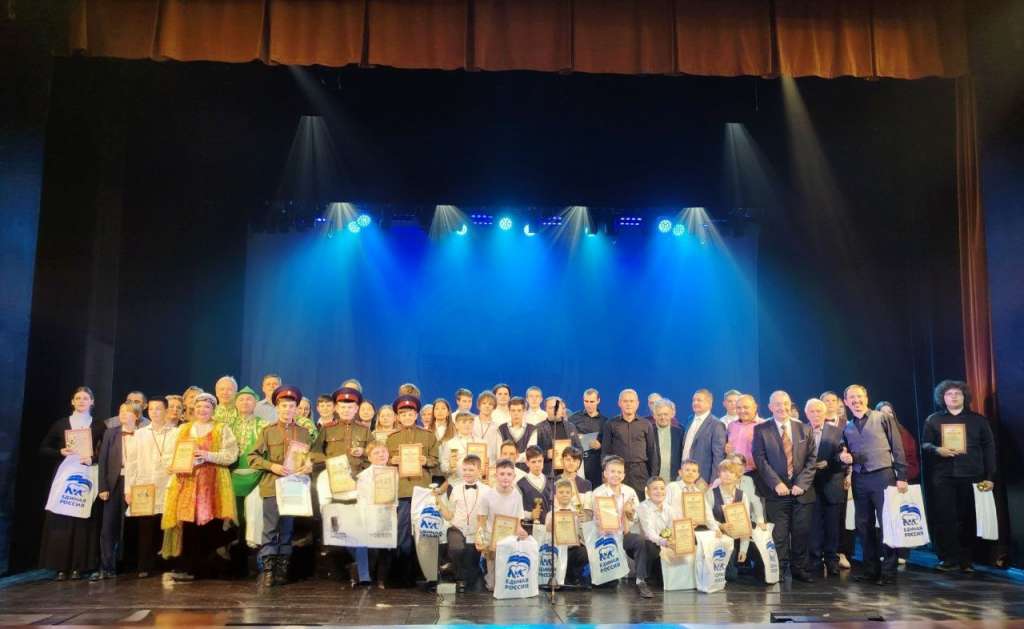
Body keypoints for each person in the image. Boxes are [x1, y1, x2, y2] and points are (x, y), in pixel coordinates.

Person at [161, 392, 238, 581]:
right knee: (188, 523)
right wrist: (175, 464)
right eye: (199, 406)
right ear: (193, 409)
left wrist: (207, 455)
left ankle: (208, 568)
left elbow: (231, 455)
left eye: (207, 407)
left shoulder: (221, 429)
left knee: (211, 523)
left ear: (213, 410)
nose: (202, 410)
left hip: (212, 484)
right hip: (187, 482)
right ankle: (188, 567)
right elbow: (169, 454)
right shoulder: (183, 429)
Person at [921, 380, 996, 573]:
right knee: (945, 518)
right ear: (942, 398)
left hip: (972, 474)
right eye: (949, 394)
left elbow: (989, 449)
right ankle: (948, 558)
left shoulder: (978, 420)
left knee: (969, 518)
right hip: (943, 476)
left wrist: (989, 477)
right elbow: (925, 444)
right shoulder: (933, 420)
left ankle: (967, 560)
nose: (953, 397)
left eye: (957, 394)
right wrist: (937, 449)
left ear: (964, 397)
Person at [838, 384, 908, 585]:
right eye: (852, 397)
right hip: (860, 478)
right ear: (846, 402)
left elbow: (897, 446)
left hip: (883, 475)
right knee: (863, 525)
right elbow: (846, 453)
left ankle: (889, 572)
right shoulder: (847, 427)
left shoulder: (882, 418)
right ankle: (870, 570)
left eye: (859, 396)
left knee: (887, 524)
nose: (856, 400)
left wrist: (901, 475)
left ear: (866, 398)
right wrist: (844, 457)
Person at [248, 385, 313, 587]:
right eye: (284, 406)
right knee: (270, 528)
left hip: (294, 487)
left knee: (287, 528)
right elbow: (252, 457)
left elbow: (309, 457)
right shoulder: (267, 431)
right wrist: (272, 466)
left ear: (296, 409)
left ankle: (282, 570)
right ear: (277, 408)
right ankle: (268, 570)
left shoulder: (303, 432)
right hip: (272, 485)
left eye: (291, 406)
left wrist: (308, 465)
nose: (287, 410)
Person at [39, 386, 106, 580]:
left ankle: (79, 566)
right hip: (65, 475)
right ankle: (61, 567)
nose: (81, 401)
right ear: (72, 402)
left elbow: (106, 451)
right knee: (62, 518)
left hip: (87, 475)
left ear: (92, 402)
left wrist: (93, 458)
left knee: (83, 520)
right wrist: (60, 452)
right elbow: (44, 448)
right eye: (78, 398)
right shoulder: (61, 424)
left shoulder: (99, 425)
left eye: (85, 398)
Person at [752, 391, 818, 582]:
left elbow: (812, 459)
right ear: (770, 407)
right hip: (776, 493)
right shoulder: (761, 430)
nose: (782, 407)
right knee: (779, 535)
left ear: (791, 405)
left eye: (786, 403)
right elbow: (760, 460)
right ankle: (779, 570)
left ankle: (799, 569)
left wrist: (802, 484)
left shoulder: (804, 428)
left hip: (801, 492)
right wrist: (776, 483)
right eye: (777, 404)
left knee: (801, 533)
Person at [310, 386, 371, 585]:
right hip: (333, 486)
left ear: (356, 409)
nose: (346, 410)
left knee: (358, 530)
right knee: (337, 530)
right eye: (343, 407)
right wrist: (330, 461)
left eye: (350, 407)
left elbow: (376, 454)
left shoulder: (364, 430)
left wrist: (364, 452)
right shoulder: (327, 429)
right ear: (336, 408)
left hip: (356, 486)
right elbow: (314, 453)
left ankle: (363, 575)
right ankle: (349, 570)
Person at [386, 395, 439, 587]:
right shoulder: (391, 438)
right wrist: (391, 461)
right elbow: (383, 461)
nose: (407, 417)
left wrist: (427, 460)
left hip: (422, 490)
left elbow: (437, 461)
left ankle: (426, 575)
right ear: (398, 417)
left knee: (424, 532)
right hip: (401, 490)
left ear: (416, 415)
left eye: (410, 413)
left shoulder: (428, 436)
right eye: (403, 414)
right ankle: (403, 576)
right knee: (402, 534)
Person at [126, 396, 176, 578]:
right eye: (152, 409)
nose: (155, 412)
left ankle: (166, 564)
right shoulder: (140, 434)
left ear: (166, 411)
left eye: (159, 409)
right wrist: (128, 488)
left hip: (168, 483)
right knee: (145, 527)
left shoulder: (175, 433)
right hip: (144, 484)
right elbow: (131, 462)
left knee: (166, 525)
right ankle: (144, 566)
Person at [94, 401, 142, 581]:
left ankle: (129, 564)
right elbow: (103, 460)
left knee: (131, 525)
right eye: (121, 411)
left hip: (135, 483)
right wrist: (103, 487)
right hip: (114, 483)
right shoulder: (110, 433)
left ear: (136, 416)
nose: (123, 414)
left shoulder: (142, 434)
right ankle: (106, 566)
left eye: (128, 411)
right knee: (109, 526)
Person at [592, 456, 646, 596]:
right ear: (605, 473)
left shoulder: (630, 492)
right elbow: (594, 521)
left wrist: (629, 513)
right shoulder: (598, 493)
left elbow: (636, 517)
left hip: (624, 534)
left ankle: (640, 580)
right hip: (605, 538)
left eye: (619, 472)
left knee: (640, 541)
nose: (616, 475)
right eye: (612, 471)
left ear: (624, 475)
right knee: (610, 585)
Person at [805, 398, 847, 577]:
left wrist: (829, 463)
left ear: (825, 413)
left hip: (831, 482)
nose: (815, 414)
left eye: (819, 411)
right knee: (813, 526)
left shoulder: (837, 431)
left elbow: (842, 458)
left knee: (832, 526)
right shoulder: (801, 430)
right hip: (809, 485)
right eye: (812, 411)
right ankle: (815, 561)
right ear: (806, 414)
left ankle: (831, 560)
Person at [876, 400, 920, 565]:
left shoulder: (904, 433)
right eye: (883, 412)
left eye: (890, 412)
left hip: (901, 481)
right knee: (883, 519)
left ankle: (902, 553)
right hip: (881, 481)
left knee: (902, 517)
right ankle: (885, 551)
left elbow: (912, 460)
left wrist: (903, 476)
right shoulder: (873, 433)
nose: (887, 415)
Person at [707, 459, 766, 581]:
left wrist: (743, 550)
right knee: (730, 576)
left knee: (759, 557)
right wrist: (720, 526)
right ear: (719, 474)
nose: (727, 474)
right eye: (724, 471)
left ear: (737, 476)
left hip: (737, 538)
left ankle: (742, 563)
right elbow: (706, 518)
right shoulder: (711, 494)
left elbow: (745, 523)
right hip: (718, 538)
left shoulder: (742, 495)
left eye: (731, 472)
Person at [475, 459, 529, 591]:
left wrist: (521, 531)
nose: (505, 477)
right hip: (492, 541)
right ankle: (489, 574)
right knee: (493, 586)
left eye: (509, 474)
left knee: (507, 584)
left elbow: (517, 522)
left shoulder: (517, 496)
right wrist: (480, 538)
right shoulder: (487, 496)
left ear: (514, 476)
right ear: (496, 475)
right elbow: (481, 521)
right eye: (502, 474)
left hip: (510, 540)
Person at [440, 455, 490, 592]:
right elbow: (450, 514)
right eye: (465, 469)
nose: (467, 473)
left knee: (471, 563)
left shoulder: (487, 491)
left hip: (477, 531)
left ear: (479, 471)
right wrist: (438, 503)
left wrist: (481, 533)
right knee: (457, 548)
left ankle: (466, 578)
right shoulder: (456, 489)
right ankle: (458, 576)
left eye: (471, 470)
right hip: (457, 528)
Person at [601, 389, 658, 497]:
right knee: (618, 503)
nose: (628, 404)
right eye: (625, 401)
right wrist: (605, 475)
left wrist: (653, 477)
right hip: (618, 471)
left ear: (637, 403)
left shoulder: (646, 424)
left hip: (640, 472)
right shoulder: (610, 424)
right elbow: (605, 451)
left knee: (640, 503)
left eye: (632, 401)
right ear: (619, 403)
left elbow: (652, 452)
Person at [822, 390, 852, 568]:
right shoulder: (814, 422)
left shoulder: (846, 424)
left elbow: (852, 451)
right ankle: (822, 553)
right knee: (821, 518)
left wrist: (850, 475)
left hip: (840, 476)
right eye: (826, 400)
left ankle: (841, 553)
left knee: (840, 517)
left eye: (833, 400)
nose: (830, 403)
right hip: (819, 477)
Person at [636, 477, 682, 592]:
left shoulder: (669, 508)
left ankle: (656, 574)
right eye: (655, 488)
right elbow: (649, 533)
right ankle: (642, 579)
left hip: (663, 546)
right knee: (649, 545)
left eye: (662, 488)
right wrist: (665, 542)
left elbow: (674, 528)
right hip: (646, 547)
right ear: (648, 492)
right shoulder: (643, 507)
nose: (659, 491)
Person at [544, 478, 590, 587]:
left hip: (572, 549)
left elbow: (584, 534)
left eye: (567, 492)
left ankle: (581, 579)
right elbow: (547, 534)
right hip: (557, 551)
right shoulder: (551, 514)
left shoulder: (578, 512)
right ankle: (564, 578)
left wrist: (583, 521)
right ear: (556, 495)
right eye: (561, 492)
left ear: (571, 495)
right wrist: (551, 524)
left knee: (584, 552)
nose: (564, 495)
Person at [680, 389, 726, 485]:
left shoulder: (716, 424)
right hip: (684, 476)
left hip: (703, 479)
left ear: (709, 403)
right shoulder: (690, 420)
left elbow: (718, 456)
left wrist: (714, 481)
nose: (695, 403)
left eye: (699, 400)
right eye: (693, 400)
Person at [569, 388, 606, 488]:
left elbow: (608, 444)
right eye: (586, 401)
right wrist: (576, 437)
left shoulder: (605, 421)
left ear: (598, 400)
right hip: (577, 462)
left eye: (592, 401)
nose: (589, 404)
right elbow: (567, 440)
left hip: (596, 464)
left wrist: (600, 445)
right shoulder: (573, 418)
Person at [536, 396, 581, 474]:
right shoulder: (538, 428)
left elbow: (579, 449)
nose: (554, 410)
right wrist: (546, 454)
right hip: (548, 473)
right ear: (546, 409)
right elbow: (533, 452)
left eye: (557, 407)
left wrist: (573, 457)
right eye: (551, 408)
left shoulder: (571, 427)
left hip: (569, 472)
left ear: (561, 409)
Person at [725, 394, 764, 477]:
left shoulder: (764, 425)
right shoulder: (731, 426)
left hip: (757, 474)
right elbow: (728, 448)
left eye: (746, 407)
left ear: (755, 407)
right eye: (738, 408)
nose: (742, 411)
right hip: (734, 474)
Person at [517, 446, 553, 525]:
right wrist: (530, 515)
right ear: (527, 463)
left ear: (543, 460)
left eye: (539, 461)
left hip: (548, 528)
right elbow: (517, 511)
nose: (537, 465)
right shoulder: (520, 485)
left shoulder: (551, 482)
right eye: (533, 462)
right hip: (528, 528)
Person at [440, 412, 478, 482]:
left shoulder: (480, 442)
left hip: (476, 481)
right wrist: (450, 466)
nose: (467, 425)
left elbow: (486, 463)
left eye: (470, 422)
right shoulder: (450, 443)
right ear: (456, 425)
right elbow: (443, 466)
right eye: (464, 422)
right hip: (456, 481)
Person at [497, 397, 538, 463]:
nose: (516, 413)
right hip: (505, 467)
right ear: (509, 411)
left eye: (519, 410)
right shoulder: (501, 429)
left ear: (524, 411)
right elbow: (499, 452)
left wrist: (509, 457)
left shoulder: (532, 429)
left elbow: (530, 454)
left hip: (525, 468)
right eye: (513, 410)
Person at [652, 399, 683, 482]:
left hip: (675, 480)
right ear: (654, 415)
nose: (663, 417)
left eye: (666, 414)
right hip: (653, 480)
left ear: (672, 414)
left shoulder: (680, 433)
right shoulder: (648, 432)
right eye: (659, 414)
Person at [558, 447, 593, 515]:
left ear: (579, 463)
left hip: (579, 520)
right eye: (568, 460)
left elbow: (586, 513)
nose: (571, 463)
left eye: (574, 460)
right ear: (562, 461)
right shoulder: (553, 482)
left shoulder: (586, 484)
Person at [472, 391, 501, 465]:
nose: (487, 406)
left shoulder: (497, 427)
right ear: (479, 405)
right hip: (471, 464)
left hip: (491, 465)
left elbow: (499, 449)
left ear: (494, 407)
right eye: (484, 403)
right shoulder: (471, 423)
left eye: (490, 404)